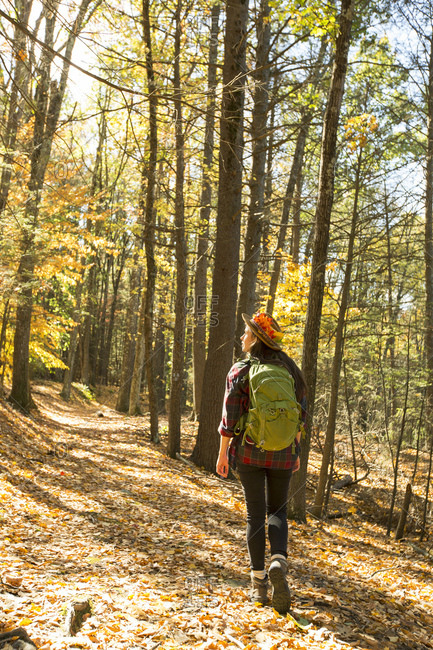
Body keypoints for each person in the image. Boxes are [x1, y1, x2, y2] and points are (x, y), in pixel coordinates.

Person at [216, 312, 306, 614]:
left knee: (255, 515)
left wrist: (222, 454)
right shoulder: (291, 368)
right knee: (278, 509)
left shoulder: (240, 370)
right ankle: (279, 559)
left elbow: (229, 418)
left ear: (256, 338)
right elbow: (301, 413)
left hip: (250, 452)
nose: (242, 337)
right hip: (283, 452)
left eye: (246, 333)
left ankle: (259, 585)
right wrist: (294, 450)